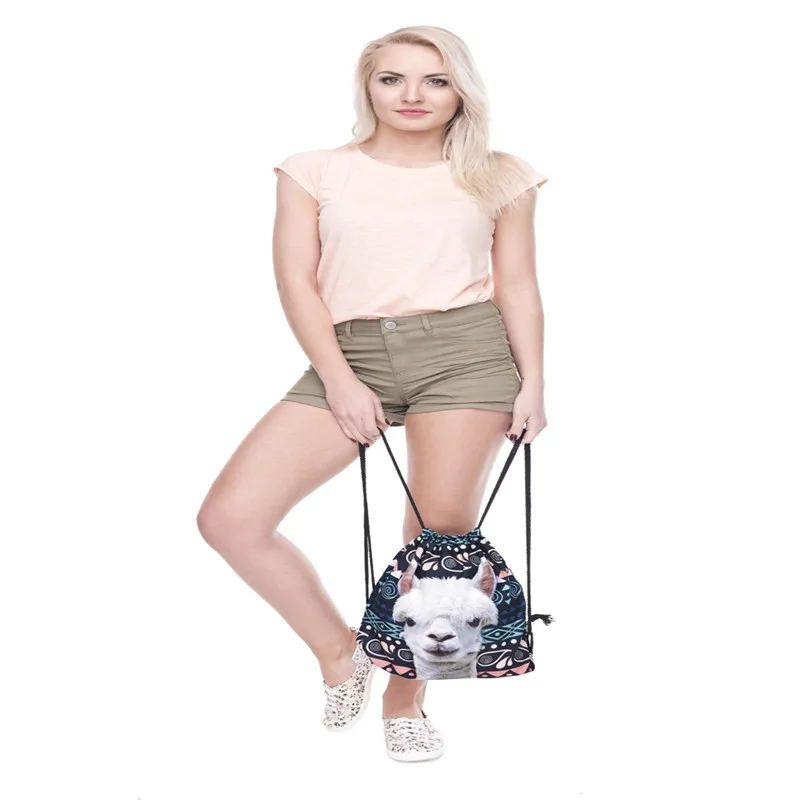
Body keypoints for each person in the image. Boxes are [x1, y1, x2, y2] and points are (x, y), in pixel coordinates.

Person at [196, 25, 549, 763]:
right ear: (368, 86)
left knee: (435, 541)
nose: (413, 95)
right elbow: (296, 281)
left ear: (461, 91)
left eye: (435, 80)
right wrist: (340, 381)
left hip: (466, 355)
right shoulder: (314, 170)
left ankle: (403, 701)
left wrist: (534, 384)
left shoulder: (500, 175)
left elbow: (517, 285)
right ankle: (340, 653)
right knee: (230, 519)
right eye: (392, 79)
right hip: (349, 352)